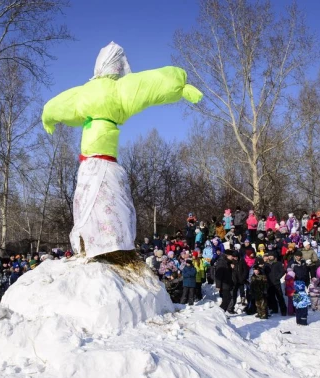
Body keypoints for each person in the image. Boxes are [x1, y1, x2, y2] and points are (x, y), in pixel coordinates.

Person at [41, 41, 202, 259]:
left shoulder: (84, 92)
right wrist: (180, 86)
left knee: (88, 199)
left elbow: (62, 103)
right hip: (106, 160)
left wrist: (48, 115)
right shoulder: (122, 89)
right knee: (112, 200)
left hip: (88, 162)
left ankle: (89, 244)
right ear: (118, 67)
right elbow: (151, 84)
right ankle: (110, 244)